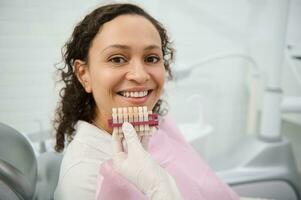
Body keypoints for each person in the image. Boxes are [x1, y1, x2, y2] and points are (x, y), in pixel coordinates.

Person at [53, 3, 239, 200]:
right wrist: (159, 187)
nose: (140, 76)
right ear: (84, 74)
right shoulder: (84, 177)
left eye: (151, 58)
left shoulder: (158, 126)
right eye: (117, 59)